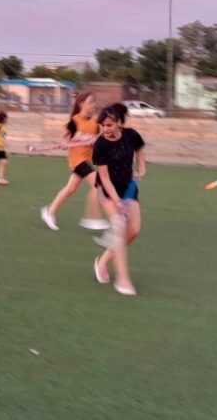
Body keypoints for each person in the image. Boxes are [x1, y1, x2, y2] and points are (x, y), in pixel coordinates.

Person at [91, 103, 146, 296]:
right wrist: (116, 201)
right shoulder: (100, 145)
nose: (105, 129)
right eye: (102, 125)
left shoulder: (131, 135)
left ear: (119, 123)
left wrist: (141, 167)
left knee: (134, 230)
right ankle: (123, 279)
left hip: (128, 188)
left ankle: (103, 261)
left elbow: (139, 149)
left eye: (109, 125)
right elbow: (104, 178)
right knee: (119, 227)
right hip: (107, 191)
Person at [40, 92, 110, 231]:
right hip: (77, 160)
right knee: (98, 185)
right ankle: (93, 219)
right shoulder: (75, 121)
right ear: (82, 104)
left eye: (94, 102)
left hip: (86, 159)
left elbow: (99, 140)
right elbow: (64, 137)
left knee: (70, 189)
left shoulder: (95, 123)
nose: (93, 105)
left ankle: (49, 212)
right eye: (90, 102)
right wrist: (64, 143)